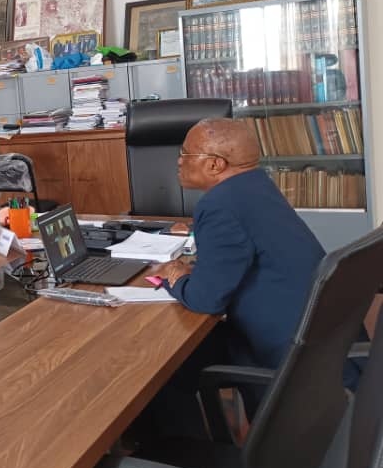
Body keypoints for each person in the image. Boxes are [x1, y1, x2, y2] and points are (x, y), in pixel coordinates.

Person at [146, 118, 364, 434]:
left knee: (162, 370)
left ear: (214, 164)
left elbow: (206, 299)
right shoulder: (256, 185)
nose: (178, 161)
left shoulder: (219, 205)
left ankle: (192, 462)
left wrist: (174, 275)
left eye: (185, 153)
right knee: (182, 361)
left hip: (284, 356)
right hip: (321, 342)